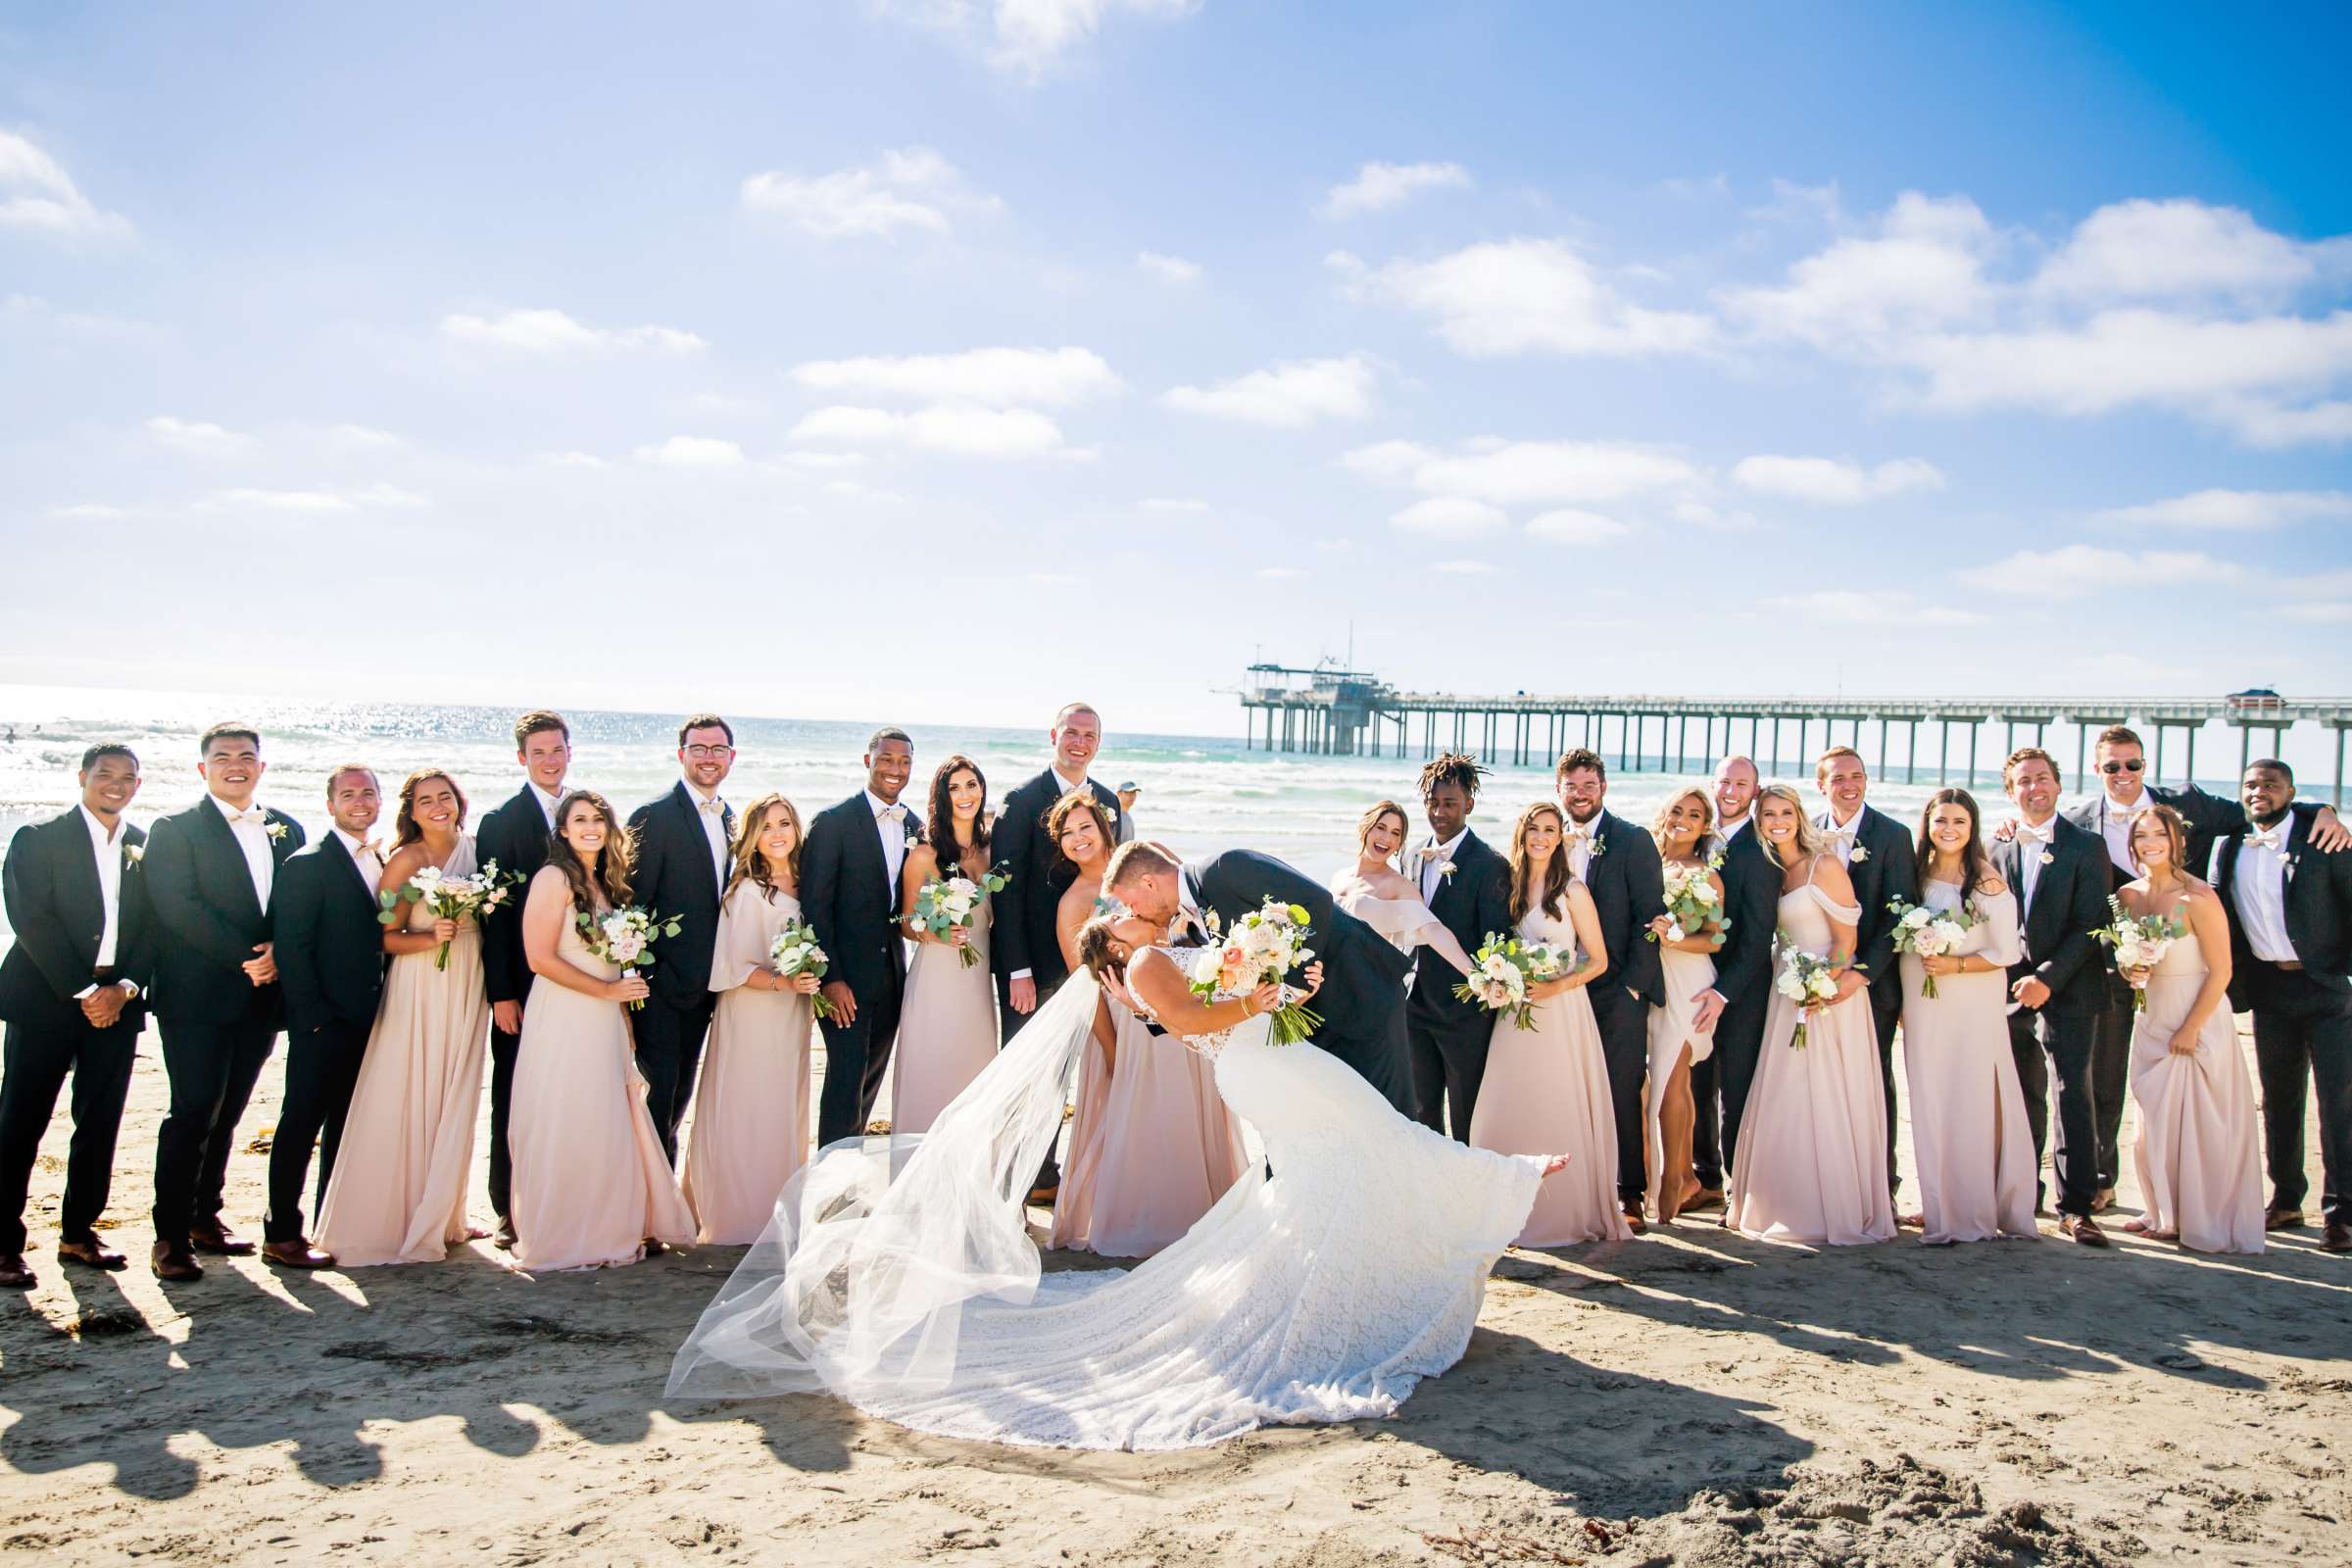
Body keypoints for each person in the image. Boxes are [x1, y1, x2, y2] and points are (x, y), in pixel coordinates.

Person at [670, 896, 1571, 1450]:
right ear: (1128, 909)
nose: (1164, 896)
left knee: (1354, 1150)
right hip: (1258, 1067)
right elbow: (1190, 1022)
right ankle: (1497, 1181)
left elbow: (1227, 1002)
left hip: (1271, 1060)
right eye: (1152, 887)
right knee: (1365, 1140)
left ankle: (1449, 1212)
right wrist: (1255, 993)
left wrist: (1280, 984)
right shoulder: (1144, 959)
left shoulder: (1173, 943)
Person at [2060, 725, 2346, 1212]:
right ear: (2097, 769)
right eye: (2112, 766)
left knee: (2203, 1088)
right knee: (2106, 1081)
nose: (2123, 774)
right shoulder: (2076, 821)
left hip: (2190, 976)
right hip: (2111, 971)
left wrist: (2321, 810)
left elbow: (2259, 812)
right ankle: (2106, 1180)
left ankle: (2225, 1197)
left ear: (2145, 764)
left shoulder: (2190, 803)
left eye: (2132, 764)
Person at [140, 723, 306, 1281]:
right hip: (197, 997)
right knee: (191, 1112)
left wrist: (281, 949)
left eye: (247, 757)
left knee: (230, 1112)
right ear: (202, 768)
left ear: (261, 766)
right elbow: (176, 907)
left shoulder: (287, 826)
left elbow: (297, 900)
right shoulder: (175, 829)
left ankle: (204, 1218)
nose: (236, 765)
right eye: (222, 757)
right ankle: (169, 1237)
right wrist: (247, 956)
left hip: (262, 997)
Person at [1052, 793, 1247, 1256]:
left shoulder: (1148, 857)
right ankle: (1148, 1216)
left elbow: (1199, 914)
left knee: (1196, 1106)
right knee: (1144, 1120)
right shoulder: (1073, 903)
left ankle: (1206, 1209)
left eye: (1085, 827)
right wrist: (1114, 1049)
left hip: (1182, 995)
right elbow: (1088, 989)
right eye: (1067, 833)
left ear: (1104, 826)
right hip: (1130, 1024)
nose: (1079, 839)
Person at [508, 791, 695, 1271]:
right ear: (563, 831)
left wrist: (621, 1009)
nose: (591, 826)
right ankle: (566, 1232)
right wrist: (607, 993)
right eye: (580, 820)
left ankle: (608, 1223)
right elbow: (539, 958)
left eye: (599, 819)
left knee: (604, 1118)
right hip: (566, 1015)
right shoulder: (553, 878)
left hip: (606, 1018)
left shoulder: (606, 883)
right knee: (568, 1115)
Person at [316, 768, 493, 1267]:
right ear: (410, 812)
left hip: (467, 981)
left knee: (454, 1091)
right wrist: (429, 938)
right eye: (424, 800)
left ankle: (446, 1211)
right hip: (421, 984)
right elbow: (384, 935)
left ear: (459, 801)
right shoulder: (406, 862)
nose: (437, 806)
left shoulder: (479, 852)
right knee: (413, 1087)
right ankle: (399, 1214)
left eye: (445, 797)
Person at [1102, 841, 1416, 1112]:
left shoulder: (1226, 866)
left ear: (1148, 883)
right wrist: (1145, 1007)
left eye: (1131, 903)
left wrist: (1291, 989)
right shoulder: (1185, 928)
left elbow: (1314, 900)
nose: (1135, 913)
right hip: (1309, 1032)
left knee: (1387, 1121)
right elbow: (1195, 1005)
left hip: (1360, 995)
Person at [0, 745, 152, 1288]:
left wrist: (126, 988)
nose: (116, 784)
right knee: (20, 1122)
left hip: (119, 1001)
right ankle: (3, 1245)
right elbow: (29, 919)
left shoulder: (144, 845)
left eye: (127, 777)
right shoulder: (38, 839)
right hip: (44, 998)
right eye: (105, 774)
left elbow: (156, 927)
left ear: (138, 785)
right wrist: (88, 991)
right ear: (82, 777)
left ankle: (79, 1233)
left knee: (100, 1122)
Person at [1725, 785, 1894, 1247]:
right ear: (1758, 822)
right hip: (1787, 989)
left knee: (1826, 1092)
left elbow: (1846, 942)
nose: (1776, 821)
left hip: (1828, 993)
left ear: (1800, 816)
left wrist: (1822, 987)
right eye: (1767, 815)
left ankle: (1829, 1206)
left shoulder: (1826, 865)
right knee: (1787, 1092)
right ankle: (1785, 1199)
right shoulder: (1776, 870)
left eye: (1785, 812)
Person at [1465, 803, 1628, 1246]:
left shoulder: (1572, 890)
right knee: (1509, 1102)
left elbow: (1599, 960)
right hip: (1515, 1013)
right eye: (1533, 828)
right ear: (1522, 834)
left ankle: (1560, 1212)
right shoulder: (1510, 886)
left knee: (1555, 1101)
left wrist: (1558, 988)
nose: (1541, 836)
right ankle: (1504, 1208)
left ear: (1560, 837)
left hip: (1560, 1011)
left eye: (1550, 829)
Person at [990, 705, 1127, 1201]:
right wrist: (1018, 970)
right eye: (1072, 732)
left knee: (1090, 1070)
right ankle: (1026, 1178)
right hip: (1040, 968)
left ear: (1099, 742)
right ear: (1054, 735)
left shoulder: (1109, 801)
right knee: (1034, 1078)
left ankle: (1064, 1175)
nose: (1080, 742)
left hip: (1103, 969)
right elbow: (1006, 893)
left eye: (1090, 735)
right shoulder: (1021, 801)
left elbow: (1122, 879)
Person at [2115, 806, 2264, 1254]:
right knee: (2153, 1117)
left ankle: (2195, 1215)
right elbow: (2129, 961)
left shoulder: (2198, 897)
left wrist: (2191, 1027)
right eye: (2141, 836)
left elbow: (2221, 971)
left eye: (2159, 834)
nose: (2150, 843)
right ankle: (2160, 1208)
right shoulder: (2127, 895)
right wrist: (2131, 972)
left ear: (2178, 841)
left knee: (2198, 1121)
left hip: (2196, 1015)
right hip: (2151, 1014)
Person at [2212, 761, 2346, 1251]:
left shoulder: (2322, 839)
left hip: (2328, 989)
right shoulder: (2229, 847)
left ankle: (2341, 1213)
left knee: (2338, 1103)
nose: (2259, 792)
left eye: (2270, 784)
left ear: (2292, 791)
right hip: (2269, 990)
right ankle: (2287, 1199)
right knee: (2279, 1102)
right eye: (2250, 785)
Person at [1897, 789, 2035, 1246]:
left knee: (1969, 1098)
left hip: (1972, 1003)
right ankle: (1939, 1203)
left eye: (1959, 821)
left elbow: (2006, 953)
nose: (1949, 829)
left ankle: (1970, 1208)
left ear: (1972, 826)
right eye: (1941, 821)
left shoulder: (1987, 883)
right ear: (1928, 826)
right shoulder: (1916, 877)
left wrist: (1953, 964)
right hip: (1922, 1001)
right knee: (1930, 1096)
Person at [1989, 748, 2115, 1247]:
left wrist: (2046, 977)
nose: (2033, 788)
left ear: (2059, 787)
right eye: (2023, 781)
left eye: (2042, 779)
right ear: (2010, 791)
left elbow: (2093, 924)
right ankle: (2024, 1195)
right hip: (2009, 991)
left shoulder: (2088, 846)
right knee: (2021, 1096)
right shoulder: (1997, 846)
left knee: (2072, 1096)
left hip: (2071, 988)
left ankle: (2077, 1206)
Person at [264, 764, 388, 1268]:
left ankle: (329, 1223)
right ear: (330, 804)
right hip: (323, 1023)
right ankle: (281, 1232)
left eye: (368, 793)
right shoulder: (307, 863)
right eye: (348, 794)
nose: (359, 801)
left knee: (348, 1125)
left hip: (372, 1020)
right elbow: (292, 948)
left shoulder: (382, 858)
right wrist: (312, 1019)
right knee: (300, 1122)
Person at [683, 795, 822, 1246]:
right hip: (752, 1013)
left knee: (784, 1103)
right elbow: (732, 968)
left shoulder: (808, 882)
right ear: (751, 837)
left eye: (785, 823)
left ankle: (778, 1204)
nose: (778, 833)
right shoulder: (745, 891)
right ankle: (739, 1213)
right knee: (749, 1103)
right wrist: (785, 983)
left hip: (791, 1013)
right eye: (766, 827)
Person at [1555, 748, 1667, 1232]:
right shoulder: (1545, 838)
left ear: (1603, 789)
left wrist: (1634, 988)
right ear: (1558, 790)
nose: (1580, 795)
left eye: (1588, 786)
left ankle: (1630, 1194)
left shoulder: (1632, 840)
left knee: (1622, 1086)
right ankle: (1577, 1185)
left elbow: (1650, 914)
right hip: (1561, 985)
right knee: (1567, 1087)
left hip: (1617, 986)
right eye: (1571, 787)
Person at [473, 710, 572, 1250]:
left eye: (557, 750)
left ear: (569, 752)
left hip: (576, 983)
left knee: (562, 1092)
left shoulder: (585, 812)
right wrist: (501, 994)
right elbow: (495, 916)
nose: (550, 760)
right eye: (539, 753)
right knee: (512, 1092)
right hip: (523, 986)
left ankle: (555, 1194)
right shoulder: (502, 821)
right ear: (522, 759)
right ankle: (507, 1205)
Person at [627, 714, 738, 1164]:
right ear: (681, 755)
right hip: (662, 989)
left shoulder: (732, 816)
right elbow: (633, 905)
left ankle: (660, 1206)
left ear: (731, 757)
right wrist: (642, 980)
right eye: (698, 749)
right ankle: (644, 1209)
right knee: (657, 1097)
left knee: (679, 1100)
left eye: (717, 750)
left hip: (707, 987)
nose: (708, 758)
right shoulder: (653, 816)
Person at [803, 729, 918, 1147]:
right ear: (867, 761)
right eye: (886, 759)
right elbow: (813, 907)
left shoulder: (915, 825)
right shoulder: (833, 822)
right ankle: (828, 1182)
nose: (895, 769)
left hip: (891, 977)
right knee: (844, 1082)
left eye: (904, 761)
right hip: (844, 981)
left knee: (871, 1081)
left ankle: (848, 1170)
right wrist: (830, 977)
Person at [1813, 747, 1918, 1207]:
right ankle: (1825, 1178)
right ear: (1821, 785)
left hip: (1872, 986)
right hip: (1815, 980)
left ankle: (1882, 1186)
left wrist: (1863, 974)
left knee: (1873, 1082)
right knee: (1819, 1080)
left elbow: (1901, 916)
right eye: (1838, 778)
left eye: (1856, 776)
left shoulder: (1893, 835)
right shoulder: (1807, 833)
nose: (1849, 785)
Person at [1401, 755, 1510, 1139]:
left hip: (1463, 1014)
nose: (1439, 811)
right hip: (1415, 1008)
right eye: (1432, 803)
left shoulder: (1490, 864)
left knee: (1467, 1115)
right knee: (1421, 1112)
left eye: (1449, 803)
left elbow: (1495, 942)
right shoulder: (1411, 855)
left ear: (1469, 805)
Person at [891, 756, 1002, 1135]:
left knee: (975, 1069)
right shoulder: (924, 854)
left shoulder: (991, 852)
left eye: (972, 784)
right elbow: (905, 920)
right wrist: (937, 934)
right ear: (942, 795)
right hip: (937, 978)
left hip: (977, 982)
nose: (965, 794)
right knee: (933, 1068)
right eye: (955, 787)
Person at [1689, 756, 1764, 1205]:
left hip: (1741, 988)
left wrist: (1724, 992)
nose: (1731, 791)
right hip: (1696, 980)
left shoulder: (1761, 850)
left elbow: (1757, 939)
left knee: (1735, 1091)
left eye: (1742, 784)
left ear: (1755, 791)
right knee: (1697, 1083)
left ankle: (1742, 1188)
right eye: (1724, 782)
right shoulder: (1698, 837)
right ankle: (1707, 1180)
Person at [1643, 787, 1721, 1226]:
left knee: (1672, 1080)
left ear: (1705, 825)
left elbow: (1716, 937)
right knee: (1665, 1083)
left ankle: (1674, 1179)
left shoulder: (1705, 875)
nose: (1684, 819)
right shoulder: (1646, 863)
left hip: (1689, 980)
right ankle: (1680, 1175)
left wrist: (1675, 938)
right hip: (1652, 984)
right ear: (1665, 813)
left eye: (1694, 814)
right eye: (1677, 810)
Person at [1327, 800, 1476, 980]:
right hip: (1325, 979)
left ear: (1399, 844)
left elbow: (1433, 929)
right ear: (1365, 828)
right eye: (1381, 827)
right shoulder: (1339, 877)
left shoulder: (1399, 886)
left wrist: (1475, 976)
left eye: (1395, 833)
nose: (1386, 838)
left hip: (1363, 984)